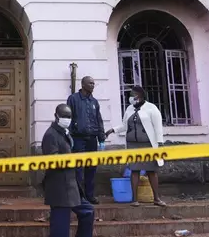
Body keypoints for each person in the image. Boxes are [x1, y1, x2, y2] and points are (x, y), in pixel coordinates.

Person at [105, 85, 166, 207]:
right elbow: (124, 126)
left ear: (140, 96)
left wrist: (159, 143)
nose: (131, 97)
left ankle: (156, 198)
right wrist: (112, 130)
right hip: (133, 145)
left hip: (148, 144)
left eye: (133, 95)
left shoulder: (151, 108)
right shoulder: (129, 109)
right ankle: (134, 199)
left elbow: (158, 127)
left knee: (151, 171)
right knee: (134, 170)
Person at [42, 104, 95, 237]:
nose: (67, 119)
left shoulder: (64, 132)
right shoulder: (50, 135)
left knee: (88, 211)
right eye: (64, 116)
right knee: (60, 229)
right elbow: (52, 160)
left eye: (69, 117)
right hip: (59, 187)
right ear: (56, 116)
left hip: (71, 186)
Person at [66, 76, 105, 204]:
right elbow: (68, 118)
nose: (93, 85)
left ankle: (90, 195)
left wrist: (101, 137)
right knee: (78, 169)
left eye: (94, 83)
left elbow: (98, 120)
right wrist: (69, 137)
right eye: (90, 83)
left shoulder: (94, 101)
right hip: (78, 139)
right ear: (83, 84)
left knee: (91, 168)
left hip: (92, 140)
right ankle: (79, 196)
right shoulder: (73, 99)